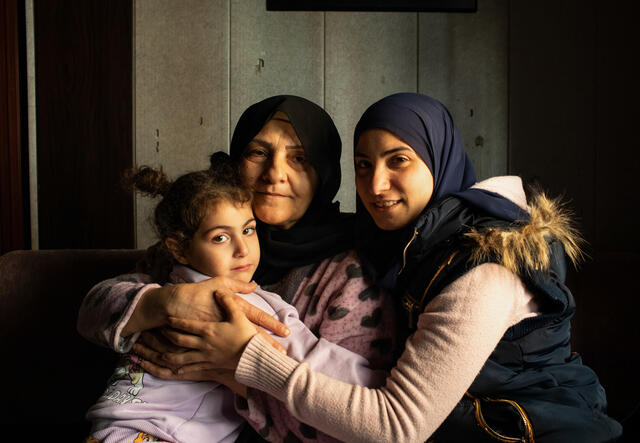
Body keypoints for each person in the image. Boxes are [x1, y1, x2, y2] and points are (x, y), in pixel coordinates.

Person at [154, 93, 623, 442]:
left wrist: (247, 362)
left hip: (528, 431)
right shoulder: (398, 247)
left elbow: (399, 425)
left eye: (398, 160)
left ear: (438, 161)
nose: (376, 185)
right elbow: (108, 301)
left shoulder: (480, 266)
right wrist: (160, 300)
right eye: (363, 165)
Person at [78, 95, 395, 441]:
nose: (275, 173)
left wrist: (235, 370)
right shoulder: (191, 245)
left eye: (300, 158)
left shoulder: (349, 275)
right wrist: (166, 304)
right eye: (258, 153)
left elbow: (352, 415)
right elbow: (95, 311)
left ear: (325, 172)